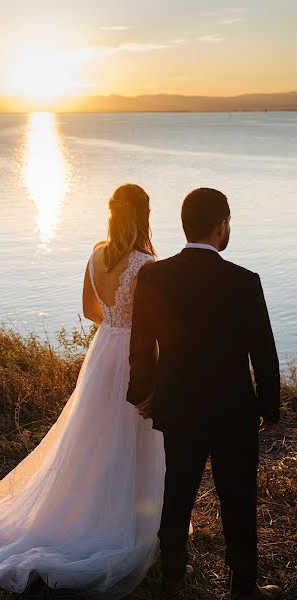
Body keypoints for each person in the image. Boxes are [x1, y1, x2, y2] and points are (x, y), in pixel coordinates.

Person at [0, 183, 165, 598]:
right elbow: (155, 323)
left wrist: (114, 325)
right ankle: (121, 519)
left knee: (92, 437)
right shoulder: (146, 264)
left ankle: (84, 506)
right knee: (129, 435)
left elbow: (90, 311)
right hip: (134, 356)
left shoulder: (96, 255)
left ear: (112, 213)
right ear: (144, 215)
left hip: (102, 354)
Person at [127, 187, 282, 600]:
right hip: (233, 411)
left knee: (177, 491)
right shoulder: (244, 281)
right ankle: (243, 586)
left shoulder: (154, 275)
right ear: (221, 225)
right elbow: (263, 351)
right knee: (238, 498)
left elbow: (141, 342)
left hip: (178, 405)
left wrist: (141, 392)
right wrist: (269, 406)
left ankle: (173, 576)